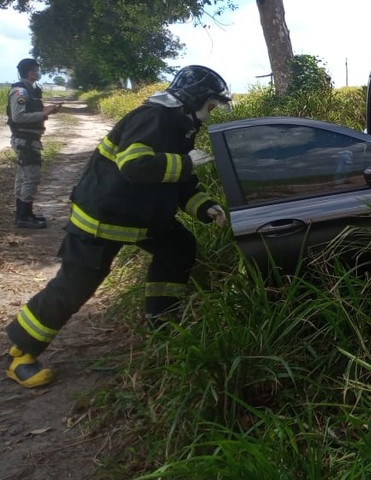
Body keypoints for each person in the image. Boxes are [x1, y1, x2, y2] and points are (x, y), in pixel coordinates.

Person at [4, 65, 232, 388]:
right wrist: (185, 162)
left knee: (178, 246)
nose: (209, 114)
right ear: (194, 98)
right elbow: (135, 165)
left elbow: (177, 181)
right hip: (103, 217)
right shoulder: (154, 118)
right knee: (76, 284)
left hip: (139, 217)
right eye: (210, 106)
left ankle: (162, 322)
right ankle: (20, 352)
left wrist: (204, 206)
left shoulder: (180, 124)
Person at [6, 57, 61, 229]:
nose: (38, 72)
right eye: (36, 70)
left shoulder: (30, 90)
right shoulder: (20, 92)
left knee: (23, 177)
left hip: (28, 140)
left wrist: (45, 111)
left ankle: (24, 214)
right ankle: (24, 216)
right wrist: (44, 114)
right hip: (25, 141)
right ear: (30, 72)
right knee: (31, 177)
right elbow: (18, 116)